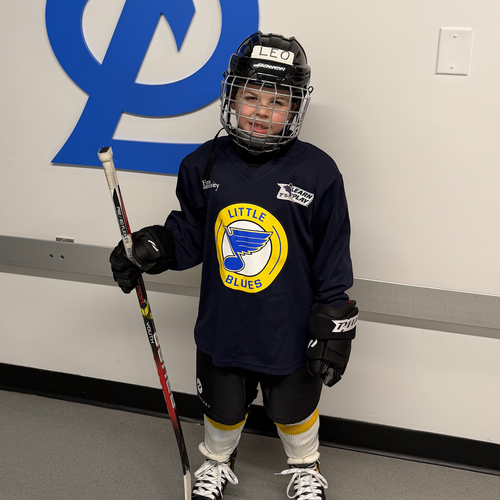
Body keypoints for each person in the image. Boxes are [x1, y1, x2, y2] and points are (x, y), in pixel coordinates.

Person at [110, 31, 358, 500]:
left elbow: (331, 252)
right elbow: (191, 234)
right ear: (231, 95)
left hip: (287, 325)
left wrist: (334, 317)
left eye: (277, 101)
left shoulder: (318, 172)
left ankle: (305, 466)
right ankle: (217, 462)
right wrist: (153, 246)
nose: (262, 111)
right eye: (251, 97)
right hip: (225, 322)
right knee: (222, 405)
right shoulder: (203, 164)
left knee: (294, 406)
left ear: (295, 107)